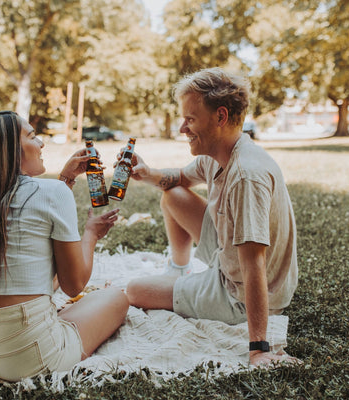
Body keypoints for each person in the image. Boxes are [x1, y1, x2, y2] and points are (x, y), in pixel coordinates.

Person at [125, 68, 299, 367]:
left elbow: (253, 264)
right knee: (175, 194)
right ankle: (178, 270)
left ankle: (186, 285)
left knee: (134, 290)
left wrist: (258, 348)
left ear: (220, 117)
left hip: (241, 295)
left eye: (190, 120)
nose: (182, 129)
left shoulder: (246, 176)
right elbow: (179, 177)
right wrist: (148, 173)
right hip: (227, 256)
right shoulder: (217, 153)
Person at [0, 110, 129, 382]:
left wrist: (65, 181)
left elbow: (31, 248)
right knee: (116, 297)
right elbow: (74, 284)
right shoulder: (52, 193)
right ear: (12, 151)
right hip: (26, 357)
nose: (42, 143)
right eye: (33, 136)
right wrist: (90, 235)